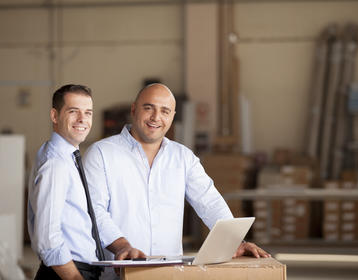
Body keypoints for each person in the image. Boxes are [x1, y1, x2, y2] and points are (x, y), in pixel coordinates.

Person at [83, 83, 270, 280]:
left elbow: (209, 201)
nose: (156, 117)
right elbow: (94, 210)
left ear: (172, 116)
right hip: (118, 274)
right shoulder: (101, 153)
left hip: (168, 273)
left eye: (165, 111)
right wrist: (122, 246)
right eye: (149, 108)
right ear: (133, 109)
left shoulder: (183, 157)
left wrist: (235, 242)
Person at [27, 84, 144, 280]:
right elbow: (47, 240)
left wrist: (122, 245)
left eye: (88, 113)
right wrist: (74, 277)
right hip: (66, 273)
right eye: (74, 112)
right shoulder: (56, 164)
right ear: (55, 116)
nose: (83, 120)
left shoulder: (66, 158)